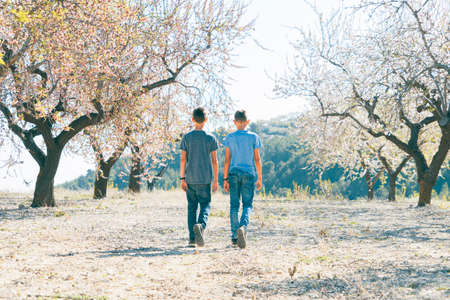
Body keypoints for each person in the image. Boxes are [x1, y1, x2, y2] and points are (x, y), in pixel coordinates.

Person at [180, 107, 219, 248]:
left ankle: (192, 239)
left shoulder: (187, 138)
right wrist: (216, 180)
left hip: (190, 178)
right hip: (205, 179)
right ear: (206, 120)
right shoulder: (211, 138)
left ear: (192, 119)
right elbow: (215, 161)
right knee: (205, 205)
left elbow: (183, 160)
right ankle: (201, 226)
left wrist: (182, 178)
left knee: (191, 208)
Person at [223, 110, 262, 249]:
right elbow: (257, 159)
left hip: (233, 174)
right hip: (249, 174)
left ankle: (234, 237)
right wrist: (259, 178)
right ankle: (243, 227)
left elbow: (227, 160)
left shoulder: (229, 138)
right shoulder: (254, 137)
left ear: (234, 122)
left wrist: (225, 179)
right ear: (247, 122)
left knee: (234, 206)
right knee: (247, 205)